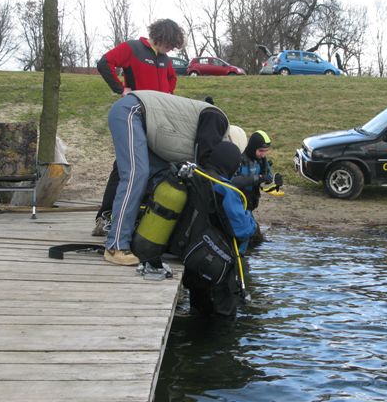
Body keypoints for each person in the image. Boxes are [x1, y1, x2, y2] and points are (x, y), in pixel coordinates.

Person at [103, 90, 235, 266]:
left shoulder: (211, 133)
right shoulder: (218, 119)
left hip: (145, 125)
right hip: (132, 111)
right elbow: (203, 165)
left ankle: (137, 235)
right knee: (136, 175)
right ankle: (115, 245)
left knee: (163, 179)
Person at [92, 19, 185, 237]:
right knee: (123, 168)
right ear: (162, 37)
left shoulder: (165, 59)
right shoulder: (132, 48)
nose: (171, 49)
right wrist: (121, 89)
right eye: (171, 44)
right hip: (132, 116)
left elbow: (171, 79)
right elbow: (104, 63)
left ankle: (133, 216)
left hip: (157, 119)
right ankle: (104, 217)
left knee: (145, 165)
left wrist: (168, 97)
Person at [182, 141, 257, 317]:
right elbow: (243, 229)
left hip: (193, 255)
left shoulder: (198, 177)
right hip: (218, 265)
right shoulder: (226, 190)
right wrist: (251, 219)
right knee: (224, 317)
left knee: (198, 311)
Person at [231, 130, 282, 242]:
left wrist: (273, 181)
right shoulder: (239, 160)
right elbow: (233, 181)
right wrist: (257, 178)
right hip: (236, 205)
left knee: (255, 236)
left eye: (265, 151)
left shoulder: (262, 162)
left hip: (249, 205)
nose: (263, 154)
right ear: (252, 147)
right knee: (248, 234)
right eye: (260, 151)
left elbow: (265, 183)